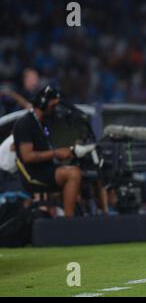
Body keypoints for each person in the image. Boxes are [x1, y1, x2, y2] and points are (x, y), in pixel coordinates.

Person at [12, 86, 82, 217]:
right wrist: (56, 153)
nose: (55, 109)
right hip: (34, 174)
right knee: (73, 174)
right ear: (44, 103)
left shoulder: (43, 123)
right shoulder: (25, 123)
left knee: (84, 171)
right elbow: (27, 157)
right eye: (53, 105)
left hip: (47, 168)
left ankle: (96, 215)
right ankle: (70, 221)